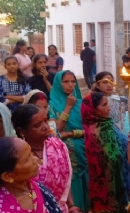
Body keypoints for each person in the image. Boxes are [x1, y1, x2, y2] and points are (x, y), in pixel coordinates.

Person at [11, 105, 75, 213]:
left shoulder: (58, 146)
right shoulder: (20, 158)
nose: (45, 127)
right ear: (21, 130)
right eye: (37, 125)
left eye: (45, 121)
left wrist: (72, 206)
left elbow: (64, 184)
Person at [0, 137, 63, 213]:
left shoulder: (34, 186)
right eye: (27, 159)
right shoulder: (2, 209)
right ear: (7, 176)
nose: (35, 159)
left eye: (31, 153)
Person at [81, 92, 130, 212]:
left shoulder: (108, 124)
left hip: (122, 180)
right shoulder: (94, 132)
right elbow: (110, 160)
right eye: (104, 105)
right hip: (108, 190)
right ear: (93, 110)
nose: (108, 108)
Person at [49, 70, 89, 212]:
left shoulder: (82, 103)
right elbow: (55, 131)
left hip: (85, 152)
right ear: (58, 84)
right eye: (65, 82)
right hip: (66, 155)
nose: (70, 85)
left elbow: (91, 129)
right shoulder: (51, 105)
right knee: (72, 188)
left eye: (73, 82)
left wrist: (72, 133)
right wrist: (68, 107)